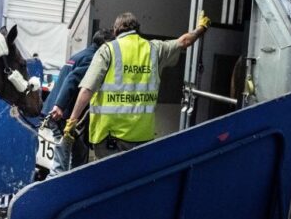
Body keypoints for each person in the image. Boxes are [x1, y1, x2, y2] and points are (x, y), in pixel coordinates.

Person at [63, 11, 211, 160]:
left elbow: (88, 89)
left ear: (116, 29)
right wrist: (201, 28)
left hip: (110, 137)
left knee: (111, 179)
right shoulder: (154, 49)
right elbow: (184, 41)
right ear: (138, 28)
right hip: (142, 137)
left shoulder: (107, 50)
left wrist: (72, 120)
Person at [43, 29, 113, 176]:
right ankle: (60, 190)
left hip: (57, 112)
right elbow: (72, 79)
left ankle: (69, 184)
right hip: (63, 115)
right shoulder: (92, 58)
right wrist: (60, 106)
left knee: (72, 154)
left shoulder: (80, 55)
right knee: (65, 161)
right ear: (105, 45)